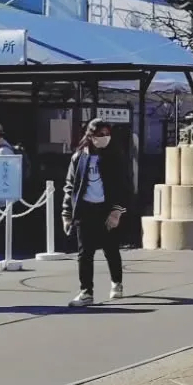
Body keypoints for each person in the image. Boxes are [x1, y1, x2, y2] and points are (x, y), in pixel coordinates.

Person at [62, 118, 133, 307]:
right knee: (84, 253)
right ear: (91, 136)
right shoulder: (79, 157)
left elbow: (124, 186)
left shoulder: (116, 157)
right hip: (85, 209)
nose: (104, 137)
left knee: (111, 249)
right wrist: (67, 213)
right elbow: (70, 186)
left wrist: (117, 211)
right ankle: (86, 291)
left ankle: (116, 282)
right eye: (100, 134)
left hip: (107, 208)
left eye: (107, 134)